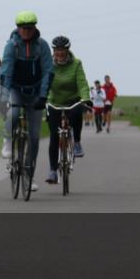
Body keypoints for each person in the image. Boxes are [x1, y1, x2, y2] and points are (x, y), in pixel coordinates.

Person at [0, 11, 53, 194]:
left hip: (36, 92)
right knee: (13, 113)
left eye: (29, 28)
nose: (26, 31)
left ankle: (29, 176)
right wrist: (3, 98)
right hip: (16, 89)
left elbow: (48, 72)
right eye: (23, 28)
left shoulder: (42, 46)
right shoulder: (12, 46)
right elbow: (6, 72)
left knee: (34, 137)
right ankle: (7, 141)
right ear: (18, 28)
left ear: (35, 28)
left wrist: (44, 96)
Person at [45, 36, 89, 184]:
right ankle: (52, 171)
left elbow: (82, 83)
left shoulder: (76, 64)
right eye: (57, 50)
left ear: (67, 50)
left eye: (62, 50)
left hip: (72, 100)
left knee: (77, 112)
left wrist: (85, 98)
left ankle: (76, 142)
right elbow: (44, 83)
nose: (60, 53)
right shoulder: (48, 64)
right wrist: (41, 98)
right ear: (53, 51)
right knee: (54, 135)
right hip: (54, 102)